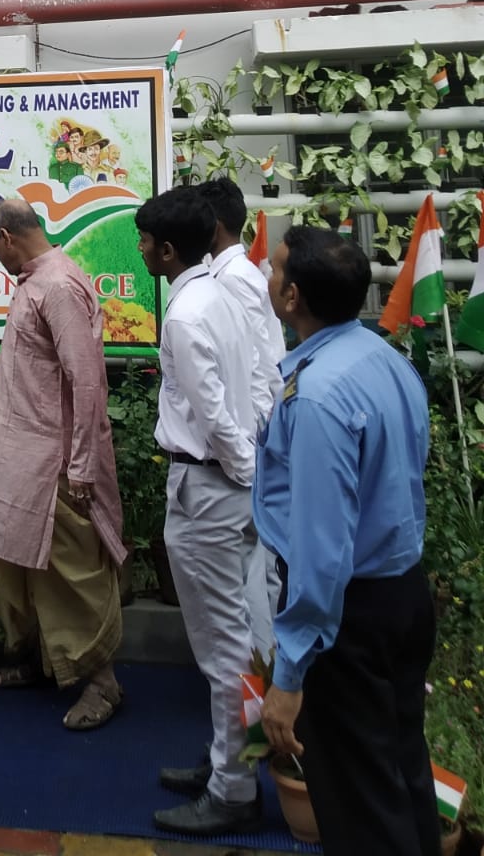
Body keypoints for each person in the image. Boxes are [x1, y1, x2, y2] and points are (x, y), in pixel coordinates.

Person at [256, 226, 440, 856]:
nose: (267, 277)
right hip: (402, 593)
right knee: (400, 775)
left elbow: (321, 548)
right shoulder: (385, 358)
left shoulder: (318, 396)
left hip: (347, 617)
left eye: (275, 270)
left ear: (293, 298)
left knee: (361, 807)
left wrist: (290, 673)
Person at [0, 197, 125, 730]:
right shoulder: (36, 282)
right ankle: (39, 660)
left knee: (71, 572)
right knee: (12, 559)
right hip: (17, 457)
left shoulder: (57, 286)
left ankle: (101, 681)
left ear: (6, 237)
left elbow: (87, 381)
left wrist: (82, 465)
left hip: (55, 460)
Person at [135, 187, 261, 836]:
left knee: (220, 646)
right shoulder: (219, 293)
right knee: (232, 637)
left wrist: (241, 471)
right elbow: (258, 386)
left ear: (165, 250)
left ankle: (233, 787)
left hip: (208, 486)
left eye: (143, 242)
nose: (139, 251)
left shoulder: (186, 313)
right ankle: (227, 766)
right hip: (224, 483)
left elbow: (213, 414)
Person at [195, 176, 286, 658]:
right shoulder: (236, 274)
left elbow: (259, 365)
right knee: (254, 567)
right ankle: (262, 672)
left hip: (252, 438)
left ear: (212, 226)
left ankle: (261, 674)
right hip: (254, 436)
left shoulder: (233, 279)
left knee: (249, 572)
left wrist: (250, 445)